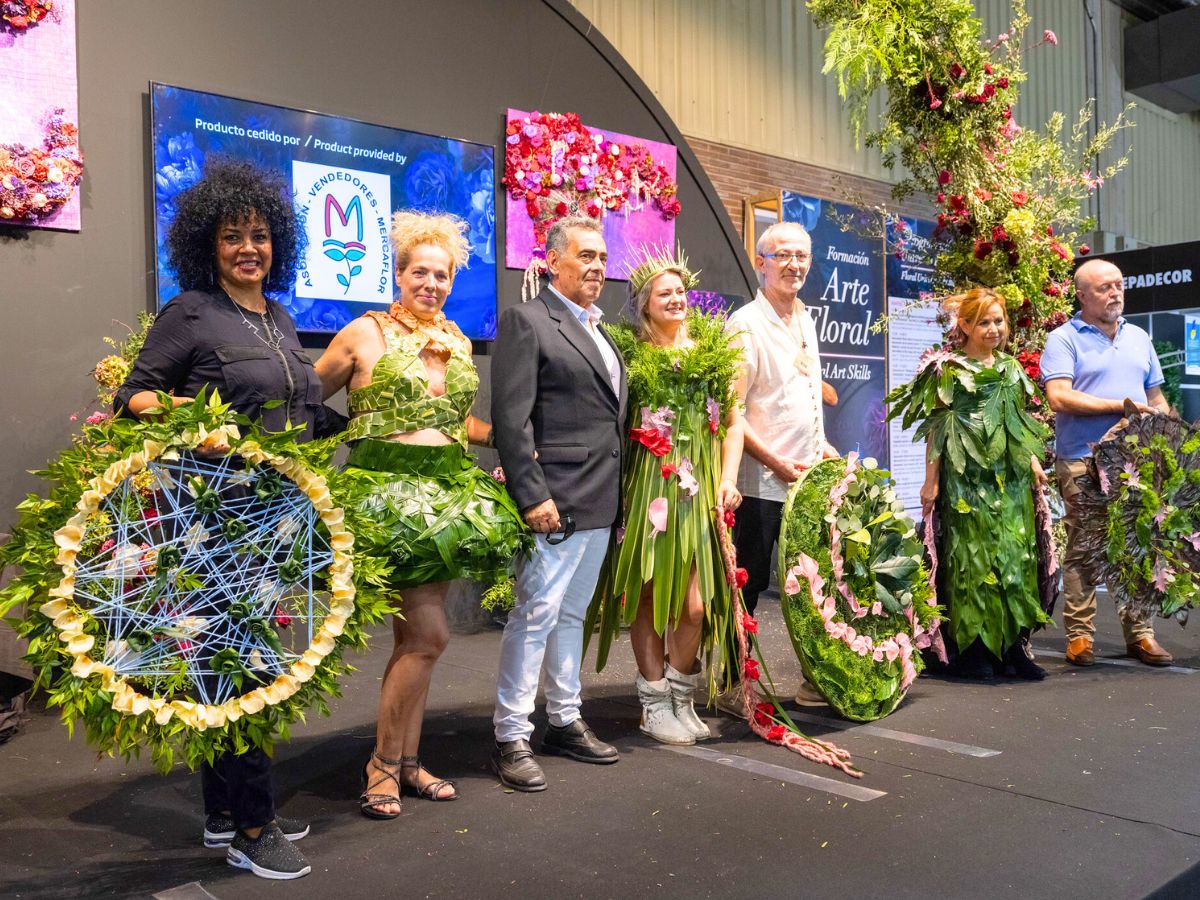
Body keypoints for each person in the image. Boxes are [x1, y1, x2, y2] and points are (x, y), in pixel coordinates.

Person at [115, 158, 329, 880]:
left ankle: (221, 814)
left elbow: (293, 412)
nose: (248, 247)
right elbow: (136, 398)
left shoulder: (279, 317)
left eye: (261, 236)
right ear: (207, 243)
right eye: (234, 236)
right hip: (219, 525)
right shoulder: (192, 312)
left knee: (248, 666)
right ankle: (254, 826)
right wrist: (198, 420)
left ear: (280, 245)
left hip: (282, 523)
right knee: (245, 669)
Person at [315, 211, 529, 818]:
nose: (431, 283)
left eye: (442, 275)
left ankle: (407, 762)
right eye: (420, 272)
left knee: (416, 639)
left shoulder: (457, 339)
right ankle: (381, 764)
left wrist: (514, 444)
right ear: (399, 273)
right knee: (431, 634)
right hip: (385, 499)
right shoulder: (364, 333)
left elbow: (455, 421)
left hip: (446, 501)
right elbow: (306, 397)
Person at [489, 215, 627, 791]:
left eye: (601, 257)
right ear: (551, 261)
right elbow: (510, 418)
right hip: (556, 500)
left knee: (572, 614)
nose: (597, 267)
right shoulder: (528, 319)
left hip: (599, 499)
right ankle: (510, 734)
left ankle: (564, 720)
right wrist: (532, 494)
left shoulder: (602, 329)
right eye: (585, 256)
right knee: (536, 614)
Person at [586, 249, 744, 745]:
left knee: (695, 606)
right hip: (648, 486)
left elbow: (735, 422)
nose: (677, 299)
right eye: (665, 293)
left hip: (699, 492)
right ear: (644, 304)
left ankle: (681, 694)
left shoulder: (713, 350)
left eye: (681, 291)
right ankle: (654, 703)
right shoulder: (629, 356)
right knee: (650, 595)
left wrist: (727, 477)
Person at [888, 288, 1051, 680]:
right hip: (966, 479)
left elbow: (1015, 423)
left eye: (999, 321)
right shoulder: (947, 369)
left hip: (1009, 481)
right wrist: (931, 482)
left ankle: (1013, 648)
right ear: (964, 325)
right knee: (972, 559)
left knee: (1015, 557)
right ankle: (973, 649)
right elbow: (936, 430)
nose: (994, 329)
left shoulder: (1011, 369)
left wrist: (1032, 460)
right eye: (984, 322)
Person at [724, 221, 836, 709]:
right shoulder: (745, 323)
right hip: (759, 484)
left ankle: (816, 679)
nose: (794, 265)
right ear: (760, 262)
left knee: (812, 587)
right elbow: (731, 413)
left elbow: (805, 395)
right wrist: (773, 459)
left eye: (802, 257)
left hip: (806, 480)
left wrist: (822, 443)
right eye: (783, 255)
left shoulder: (805, 317)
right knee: (747, 587)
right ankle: (731, 684)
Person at [1041, 258, 1173, 667]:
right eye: (1105, 287)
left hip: (1134, 463)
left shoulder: (1138, 337)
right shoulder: (1063, 339)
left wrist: (1169, 436)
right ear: (1082, 295)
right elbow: (1059, 397)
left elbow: (1155, 400)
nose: (1115, 292)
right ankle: (1080, 636)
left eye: (1118, 285)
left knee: (1136, 546)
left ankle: (1141, 634)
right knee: (1085, 547)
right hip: (1082, 460)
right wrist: (1119, 406)